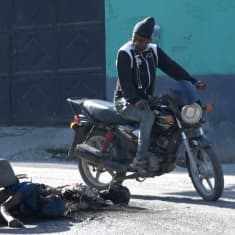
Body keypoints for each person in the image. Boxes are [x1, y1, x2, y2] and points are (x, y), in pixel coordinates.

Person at [114, 16, 206, 175]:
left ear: (149, 40)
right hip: (125, 100)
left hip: (146, 99)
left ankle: (166, 153)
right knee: (148, 117)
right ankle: (140, 160)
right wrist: (136, 100)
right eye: (135, 38)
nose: (137, 43)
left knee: (171, 113)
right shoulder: (125, 53)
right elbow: (125, 83)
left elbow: (171, 67)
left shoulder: (153, 51)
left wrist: (193, 80)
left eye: (141, 40)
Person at [0, 159, 130, 228]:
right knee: (91, 200)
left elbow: (4, 206)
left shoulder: (24, 188)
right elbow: (4, 206)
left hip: (66, 202)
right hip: (64, 202)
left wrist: (10, 219)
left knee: (92, 200)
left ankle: (110, 198)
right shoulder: (22, 190)